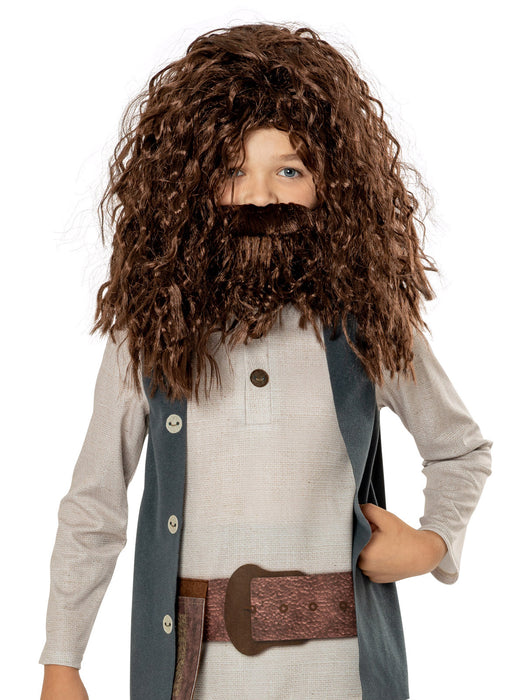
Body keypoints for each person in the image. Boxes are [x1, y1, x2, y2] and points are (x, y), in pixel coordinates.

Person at [39, 22, 493, 700]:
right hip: (195, 678)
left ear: (335, 185)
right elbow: (95, 503)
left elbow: (459, 449)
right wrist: (62, 660)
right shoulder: (150, 333)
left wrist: (431, 544)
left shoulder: (364, 326)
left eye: (289, 170)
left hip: (339, 675)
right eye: (231, 170)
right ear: (186, 186)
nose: (259, 197)